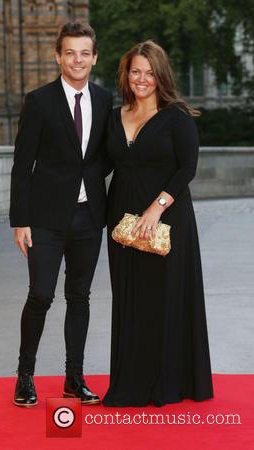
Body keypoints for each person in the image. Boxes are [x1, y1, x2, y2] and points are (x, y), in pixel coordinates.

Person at [102, 40, 214, 407]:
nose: (142, 79)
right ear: (126, 74)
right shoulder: (114, 115)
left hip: (166, 220)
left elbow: (188, 169)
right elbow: (101, 164)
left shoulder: (177, 116)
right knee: (130, 300)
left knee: (164, 299)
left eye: (150, 72)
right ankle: (131, 383)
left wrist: (156, 208)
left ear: (160, 75)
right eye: (136, 71)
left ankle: (168, 384)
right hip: (121, 223)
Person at [10, 21, 112, 407]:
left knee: (80, 297)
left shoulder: (104, 100)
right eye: (70, 52)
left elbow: (105, 156)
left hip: (89, 218)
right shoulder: (38, 101)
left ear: (94, 57)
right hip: (45, 220)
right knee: (40, 295)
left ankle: (74, 377)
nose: (78, 59)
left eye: (84, 52)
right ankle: (25, 376)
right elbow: (23, 165)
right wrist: (20, 220)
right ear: (58, 56)